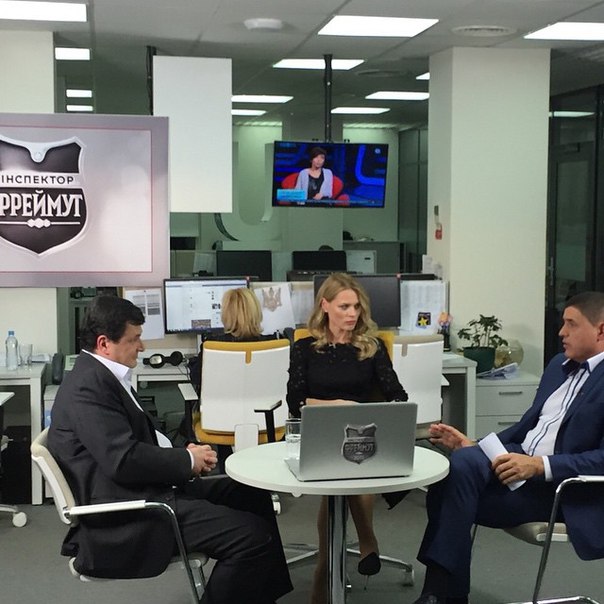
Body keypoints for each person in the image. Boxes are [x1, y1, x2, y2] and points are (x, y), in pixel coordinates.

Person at [47, 294, 292, 604]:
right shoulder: (89, 386)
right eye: (134, 339)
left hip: (147, 488)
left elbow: (138, 441)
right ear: (104, 343)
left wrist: (183, 453)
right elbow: (122, 460)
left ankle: (261, 597)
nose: (142, 347)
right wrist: (185, 460)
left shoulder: (102, 376)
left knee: (252, 494)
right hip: (131, 512)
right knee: (253, 538)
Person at [412, 291, 604, 604]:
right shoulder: (558, 365)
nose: (561, 332)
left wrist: (540, 465)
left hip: (563, 491)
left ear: (600, 330)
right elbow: (527, 430)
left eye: (571, 324)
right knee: (454, 471)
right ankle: (443, 594)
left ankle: (441, 592)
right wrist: (476, 446)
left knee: (452, 486)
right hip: (518, 466)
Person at [286, 272, 408, 604]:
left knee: (353, 459)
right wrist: (338, 405)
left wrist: (379, 414)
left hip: (364, 433)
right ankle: (367, 541)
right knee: (350, 464)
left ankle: (324, 571)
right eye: (344, 307)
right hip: (319, 433)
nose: (352, 313)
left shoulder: (371, 347)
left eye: (356, 307)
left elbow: (397, 395)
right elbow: (295, 400)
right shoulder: (304, 348)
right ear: (325, 306)